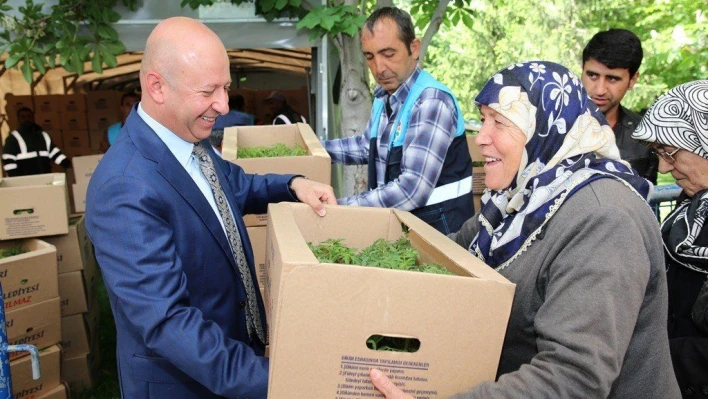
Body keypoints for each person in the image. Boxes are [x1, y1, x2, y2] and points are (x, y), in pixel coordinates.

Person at [369, 61, 680, 398]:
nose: (481, 138)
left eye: (499, 122)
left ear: (542, 128)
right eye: (483, 119)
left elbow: (573, 378)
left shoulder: (604, 219)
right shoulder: (515, 202)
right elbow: (447, 258)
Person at [84, 17, 336, 399]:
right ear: (157, 87)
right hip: (188, 384)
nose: (223, 104)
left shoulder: (190, 142)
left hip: (232, 358)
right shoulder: (124, 187)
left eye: (226, 87)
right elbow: (170, 323)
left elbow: (233, 185)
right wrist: (283, 379)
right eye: (208, 91)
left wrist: (292, 184)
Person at [323, 6, 473, 234]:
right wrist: (315, 150)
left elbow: (411, 189)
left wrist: (339, 208)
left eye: (388, 54)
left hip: (441, 236)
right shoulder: (384, 98)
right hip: (405, 230)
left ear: (414, 48)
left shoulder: (431, 101)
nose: (378, 68)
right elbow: (367, 147)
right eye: (369, 57)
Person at [631, 80, 708, 398]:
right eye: (658, 153)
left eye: (671, 152)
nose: (663, 167)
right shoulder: (692, 205)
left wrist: (658, 359)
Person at [581, 28, 658, 183]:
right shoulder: (554, 126)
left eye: (612, 79)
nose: (600, 89)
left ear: (632, 80)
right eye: (592, 75)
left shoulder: (645, 135)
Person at [2, 107, 70, 176]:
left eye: (29, 116)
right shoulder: (13, 138)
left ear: (33, 118)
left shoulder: (44, 136)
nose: (26, 119)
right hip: (25, 180)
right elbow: (8, 159)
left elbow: (54, 153)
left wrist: (67, 164)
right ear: (18, 120)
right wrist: (15, 178)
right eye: (23, 117)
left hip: (45, 177)